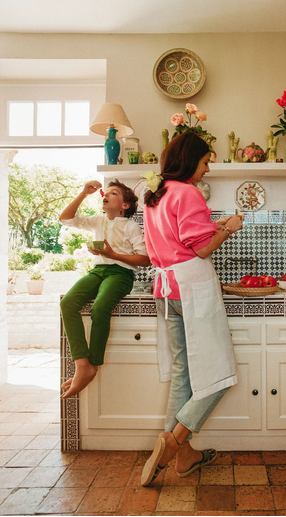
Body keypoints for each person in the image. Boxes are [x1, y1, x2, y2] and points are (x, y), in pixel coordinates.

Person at [140, 132, 243, 486]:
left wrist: (214, 227)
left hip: (166, 289)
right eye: (204, 162)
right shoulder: (188, 192)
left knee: (184, 371)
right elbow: (200, 250)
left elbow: (179, 239)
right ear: (189, 160)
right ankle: (173, 440)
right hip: (193, 287)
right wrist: (228, 228)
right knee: (220, 373)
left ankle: (183, 457)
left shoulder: (155, 194)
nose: (208, 168)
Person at [59, 179, 150, 399]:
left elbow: (145, 259)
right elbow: (65, 219)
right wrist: (83, 193)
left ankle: (94, 364)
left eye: (114, 192)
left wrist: (112, 255)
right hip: (98, 272)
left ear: (125, 205)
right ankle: (83, 364)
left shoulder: (130, 225)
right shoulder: (98, 221)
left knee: (100, 308)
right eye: (105, 192)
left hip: (120, 273)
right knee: (67, 303)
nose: (105, 194)